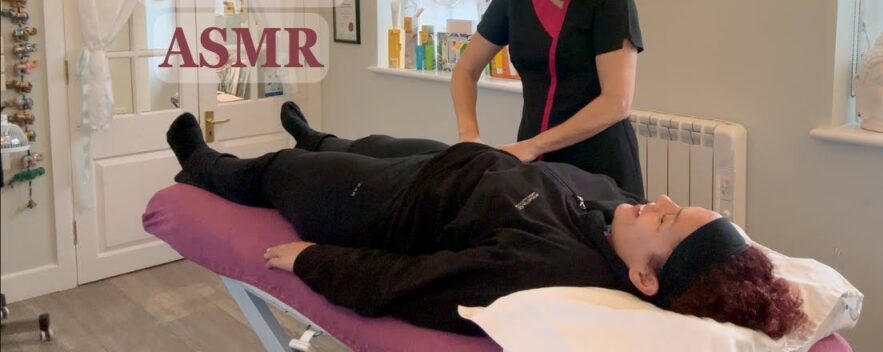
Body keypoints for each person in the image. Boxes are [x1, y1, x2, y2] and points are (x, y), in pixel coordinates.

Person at [167, 103, 807, 338]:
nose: (659, 202)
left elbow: (407, 285)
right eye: (674, 204)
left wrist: (310, 258)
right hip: (454, 166)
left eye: (667, 222)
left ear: (644, 277)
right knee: (364, 142)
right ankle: (320, 139)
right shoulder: (619, 210)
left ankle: (202, 165)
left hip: (386, 206)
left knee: (282, 171)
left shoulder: (544, 268)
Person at [452, 0, 645, 196]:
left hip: (601, 168)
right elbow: (466, 70)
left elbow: (617, 102)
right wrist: (468, 135)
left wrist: (532, 146)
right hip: (536, 168)